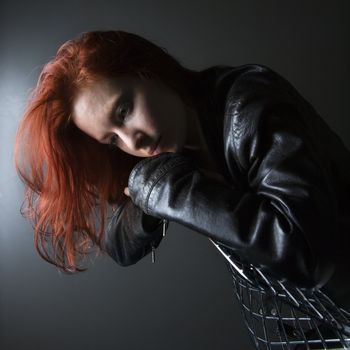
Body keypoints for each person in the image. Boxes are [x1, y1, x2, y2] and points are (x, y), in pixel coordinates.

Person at [13, 30, 350, 311]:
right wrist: (152, 193)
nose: (133, 140)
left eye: (125, 110)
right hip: (305, 324)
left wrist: (170, 192)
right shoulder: (162, 150)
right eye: (112, 140)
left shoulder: (248, 101)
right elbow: (120, 242)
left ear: (149, 71)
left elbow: (306, 250)